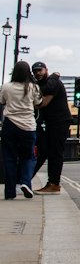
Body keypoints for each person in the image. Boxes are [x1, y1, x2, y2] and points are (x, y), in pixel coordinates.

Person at [1, 60, 41, 200]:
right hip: (28, 127)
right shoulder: (33, 88)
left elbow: (2, 101)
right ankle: (25, 183)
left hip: (10, 125)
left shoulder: (6, 87)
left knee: (9, 159)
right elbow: (38, 103)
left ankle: (10, 192)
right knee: (28, 157)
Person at [32, 61, 70, 193]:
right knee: (47, 151)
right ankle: (28, 180)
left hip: (59, 122)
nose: (37, 73)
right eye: (35, 71)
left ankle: (54, 184)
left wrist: (54, 76)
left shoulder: (53, 83)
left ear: (46, 70)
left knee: (55, 153)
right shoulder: (45, 83)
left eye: (40, 70)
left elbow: (43, 103)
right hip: (51, 123)